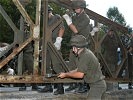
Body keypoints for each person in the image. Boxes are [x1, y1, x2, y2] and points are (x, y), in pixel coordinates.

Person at [63, 0, 98, 93]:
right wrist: (68, 15)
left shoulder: (86, 18)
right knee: (72, 63)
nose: (76, 9)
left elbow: (75, 30)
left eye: (78, 7)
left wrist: (68, 21)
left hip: (82, 45)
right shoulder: (76, 16)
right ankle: (74, 83)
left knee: (82, 65)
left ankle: (85, 85)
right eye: (75, 8)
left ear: (82, 8)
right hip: (75, 43)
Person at [58, 35, 106, 99]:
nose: (72, 50)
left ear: (78, 47)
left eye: (73, 47)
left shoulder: (85, 56)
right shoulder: (83, 53)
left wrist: (66, 75)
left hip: (97, 86)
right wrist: (69, 72)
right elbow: (79, 69)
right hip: (97, 85)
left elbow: (80, 75)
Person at [38, 5, 65, 95]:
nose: (43, 14)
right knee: (45, 66)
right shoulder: (46, 22)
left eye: (44, 12)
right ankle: (48, 86)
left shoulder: (56, 17)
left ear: (49, 11)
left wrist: (59, 40)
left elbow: (62, 28)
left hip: (54, 44)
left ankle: (60, 87)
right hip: (46, 45)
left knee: (56, 65)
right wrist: (41, 45)